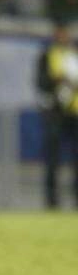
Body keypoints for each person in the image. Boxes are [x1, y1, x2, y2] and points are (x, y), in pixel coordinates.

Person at [36, 23, 78, 209]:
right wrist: (57, 81)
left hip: (75, 111)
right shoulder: (47, 55)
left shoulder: (74, 54)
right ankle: (52, 201)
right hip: (55, 112)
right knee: (52, 158)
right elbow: (40, 82)